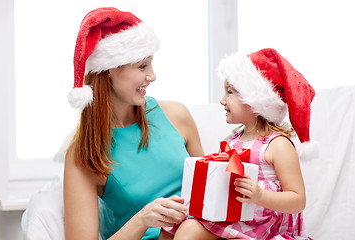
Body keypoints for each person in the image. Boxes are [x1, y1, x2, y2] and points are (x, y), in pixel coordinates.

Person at [64, 7, 204, 240]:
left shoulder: (176, 115)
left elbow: (209, 189)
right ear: (109, 70)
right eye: (142, 66)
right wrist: (143, 219)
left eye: (150, 64)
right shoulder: (84, 155)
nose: (152, 76)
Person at [161, 48, 316, 240]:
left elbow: (298, 200)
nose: (222, 100)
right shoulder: (229, 143)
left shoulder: (277, 145)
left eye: (230, 92)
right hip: (233, 220)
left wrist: (260, 195)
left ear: (254, 100)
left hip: (267, 229)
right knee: (176, 228)